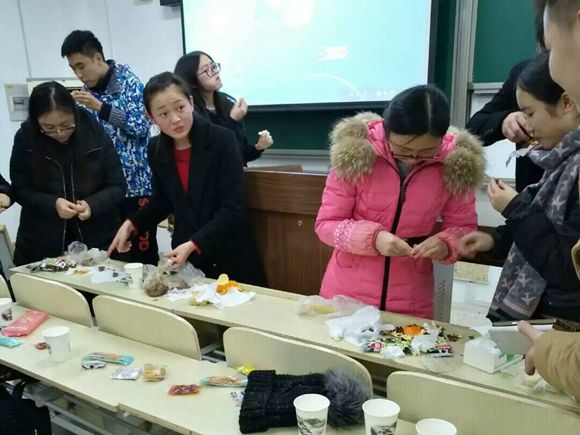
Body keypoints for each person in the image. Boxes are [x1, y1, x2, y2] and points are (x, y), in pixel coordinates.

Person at [315, 84, 485, 318]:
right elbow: (326, 224)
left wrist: (446, 244)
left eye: (427, 151)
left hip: (412, 297)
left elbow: (464, 227)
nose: (413, 158)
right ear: (387, 132)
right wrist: (373, 239)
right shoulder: (356, 155)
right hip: (347, 295)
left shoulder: (456, 164)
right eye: (403, 149)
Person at [108, 72, 264, 285]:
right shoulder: (156, 148)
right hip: (187, 258)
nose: (175, 119)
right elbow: (162, 202)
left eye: (180, 107)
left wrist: (194, 244)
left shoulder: (222, 140)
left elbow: (233, 208)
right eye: (163, 114)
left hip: (229, 254)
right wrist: (132, 223)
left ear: (191, 103)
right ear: (151, 117)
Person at [458, 53, 580, 322]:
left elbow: (566, 265)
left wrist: (516, 208)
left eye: (530, 113)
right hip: (548, 313)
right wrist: (495, 240)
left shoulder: (572, 167)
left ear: (567, 103)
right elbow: (547, 223)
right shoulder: (558, 160)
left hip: (565, 320)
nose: (527, 124)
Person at [61, 30, 157, 265]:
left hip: (137, 188)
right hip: (104, 190)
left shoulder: (128, 82)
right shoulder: (85, 95)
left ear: (98, 58)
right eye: (73, 68)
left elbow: (141, 126)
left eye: (81, 66)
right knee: (113, 254)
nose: (79, 74)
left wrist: (101, 108)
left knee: (141, 256)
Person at [9, 82, 126, 266]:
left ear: (74, 112)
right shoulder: (25, 138)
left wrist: (92, 204)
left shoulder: (94, 132)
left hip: (97, 239)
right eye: (48, 127)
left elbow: (117, 185)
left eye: (66, 125)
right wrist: (53, 204)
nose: (59, 133)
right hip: (41, 242)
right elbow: (20, 189)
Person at [466, 11, 547, 192]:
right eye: (545, 50)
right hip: (528, 199)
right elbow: (474, 128)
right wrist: (504, 121)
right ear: (539, 45)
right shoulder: (523, 75)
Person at [174, 51, 273, 165]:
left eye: (214, 66)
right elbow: (213, 154)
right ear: (192, 80)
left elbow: (239, 155)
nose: (215, 72)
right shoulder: (191, 113)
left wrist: (258, 147)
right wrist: (232, 121)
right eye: (207, 70)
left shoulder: (227, 104)